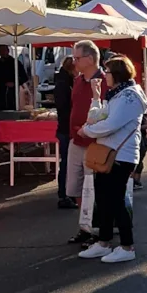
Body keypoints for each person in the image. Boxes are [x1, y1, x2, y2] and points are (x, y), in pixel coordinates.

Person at [78, 55, 147, 264]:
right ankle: (104, 242)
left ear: (116, 73)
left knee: (116, 200)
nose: (104, 75)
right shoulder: (116, 94)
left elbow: (111, 124)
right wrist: (95, 96)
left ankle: (127, 246)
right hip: (108, 153)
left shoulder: (129, 96)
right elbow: (96, 116)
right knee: (103, 199)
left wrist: (87, 131)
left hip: (121, 155)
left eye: (107, 71)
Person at [65, 41, 104, 245]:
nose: (74, 62)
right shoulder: (79, 80)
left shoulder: (104, 81)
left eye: (77, 58)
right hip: (76, 140)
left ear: (90, 59)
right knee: (77, 187)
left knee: (94, 188)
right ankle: (85, 226)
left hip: (95, 144)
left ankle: (98, 230)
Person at [53, 56, 76, 209]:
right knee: (67, 163)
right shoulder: (64, 84)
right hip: (66, 128)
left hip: (65, 127)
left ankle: (66, 194)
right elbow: (64, 106)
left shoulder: (64, 81)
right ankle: (64, 195)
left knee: (68, 162)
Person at [0, 44, 29, 116]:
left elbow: (24, 77)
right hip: (0, 93)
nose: (2, 52)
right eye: (0, 51)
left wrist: (15, 83)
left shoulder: (15, 63)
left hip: (12, 94)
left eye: (3, 50)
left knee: (11, 112)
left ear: (8, 51)